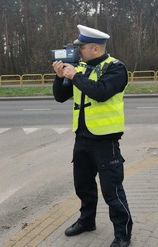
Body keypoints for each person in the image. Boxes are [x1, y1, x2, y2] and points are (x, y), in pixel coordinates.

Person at [52, 24, 133, 247]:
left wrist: (75, 76)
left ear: (95, 49)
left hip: (105, 140)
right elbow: (60, 97)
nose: (78, 51)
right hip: (82, 138)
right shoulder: (79, 67)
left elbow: (101, 93)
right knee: (83, 185)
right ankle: (87, 221)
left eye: (82, 47)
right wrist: (60, 77)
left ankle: (123, 234)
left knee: (112, 190)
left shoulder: (115, 68)